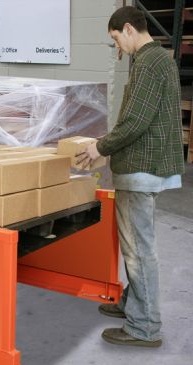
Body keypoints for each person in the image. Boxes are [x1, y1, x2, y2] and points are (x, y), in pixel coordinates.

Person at [77, 6, 185, 347]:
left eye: (115, 39)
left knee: (138, 249)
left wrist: (100, 147)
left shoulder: (149, 63)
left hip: (141, 168)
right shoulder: (158, 60)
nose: (117, 47)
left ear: (127, 29)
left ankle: (144, 326)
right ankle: (133, 304)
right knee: (136, 245)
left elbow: (135, 122)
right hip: (147, 165)